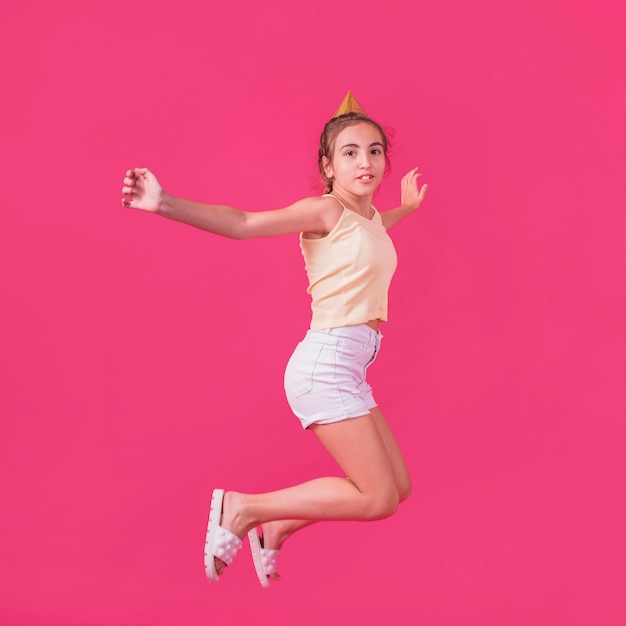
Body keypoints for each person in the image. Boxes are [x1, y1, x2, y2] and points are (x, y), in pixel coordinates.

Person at [121, 92, 428, 587]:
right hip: (325, 366)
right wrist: (165, 204)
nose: (365, 161)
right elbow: (244, 224)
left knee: (399, 485)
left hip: (349, 367)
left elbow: (375, 233)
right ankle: (244, 508)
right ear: (329, 167)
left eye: (374, 150)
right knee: (377, 499)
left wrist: (406, 210)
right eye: (349, 152)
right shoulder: (326, 212)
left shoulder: (367, 220)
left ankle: (278, 526)